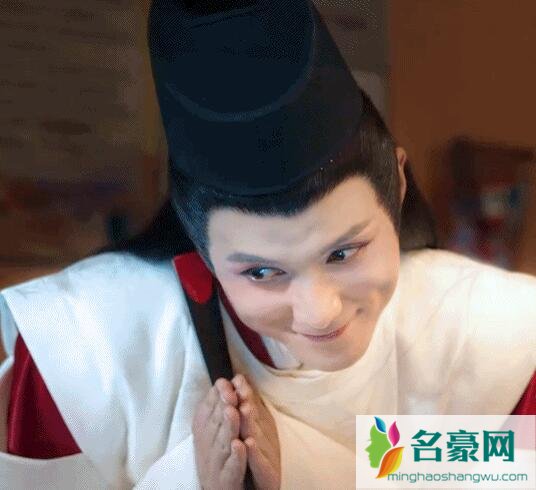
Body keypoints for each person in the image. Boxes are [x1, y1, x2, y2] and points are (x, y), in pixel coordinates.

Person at [0, 1, 534, 488]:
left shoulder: (493, 333)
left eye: (343, 253)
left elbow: (514, 467)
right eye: (261, 272)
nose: (319, 311)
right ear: (199, 242)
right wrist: (191, 479)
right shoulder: (86, 346)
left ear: (396, 183)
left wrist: (305, 470)